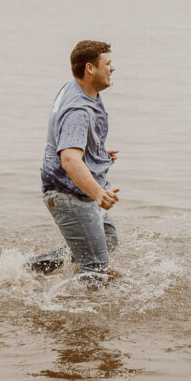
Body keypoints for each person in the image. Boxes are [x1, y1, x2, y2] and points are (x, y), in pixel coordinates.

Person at [27, 40, 121, 284]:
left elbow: (71, 145)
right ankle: (76, 316)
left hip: (72, 188)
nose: (113, 69)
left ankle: (30, 271)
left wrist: (93, 152)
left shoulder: (75, 88)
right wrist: (99, 193)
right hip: (68, 193)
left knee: (108, 239)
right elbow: (69, 159)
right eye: (108, 64)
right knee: (96, 268)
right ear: (90, 68)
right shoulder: (78, 109)